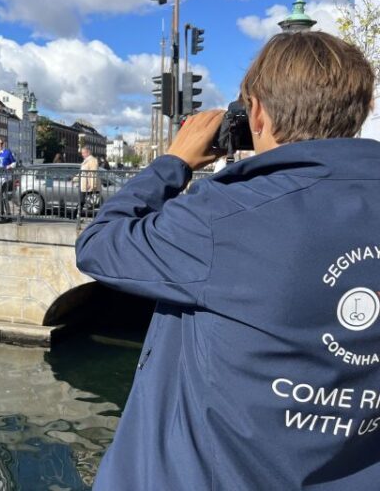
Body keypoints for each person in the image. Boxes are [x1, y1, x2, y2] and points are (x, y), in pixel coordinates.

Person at [76, 31, 380, 490]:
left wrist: (173, 161)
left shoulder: (224, 216)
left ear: (255, 112)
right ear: (360, 110)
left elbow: (101, 244)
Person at [0, 138, 16, 223]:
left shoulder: (7, 152)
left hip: (6, 178)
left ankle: (1, 215)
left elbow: (14, 163)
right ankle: (9, 215)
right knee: (4, 196)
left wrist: (9, 166)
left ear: (4, 144)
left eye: (1, 144)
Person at [74, 145, 99, 216]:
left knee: (82, 200)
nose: (82, 155)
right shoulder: (86, 160)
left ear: (88, 152)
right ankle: (76, 215)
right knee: (81, 200)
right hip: (83, 184)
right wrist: (74, 179)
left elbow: (94, 173)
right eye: (82, 153)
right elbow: (82, 172)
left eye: (83, 153)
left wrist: (92, 185)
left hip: (87, 185)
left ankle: (76, 215)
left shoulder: (93, 160)